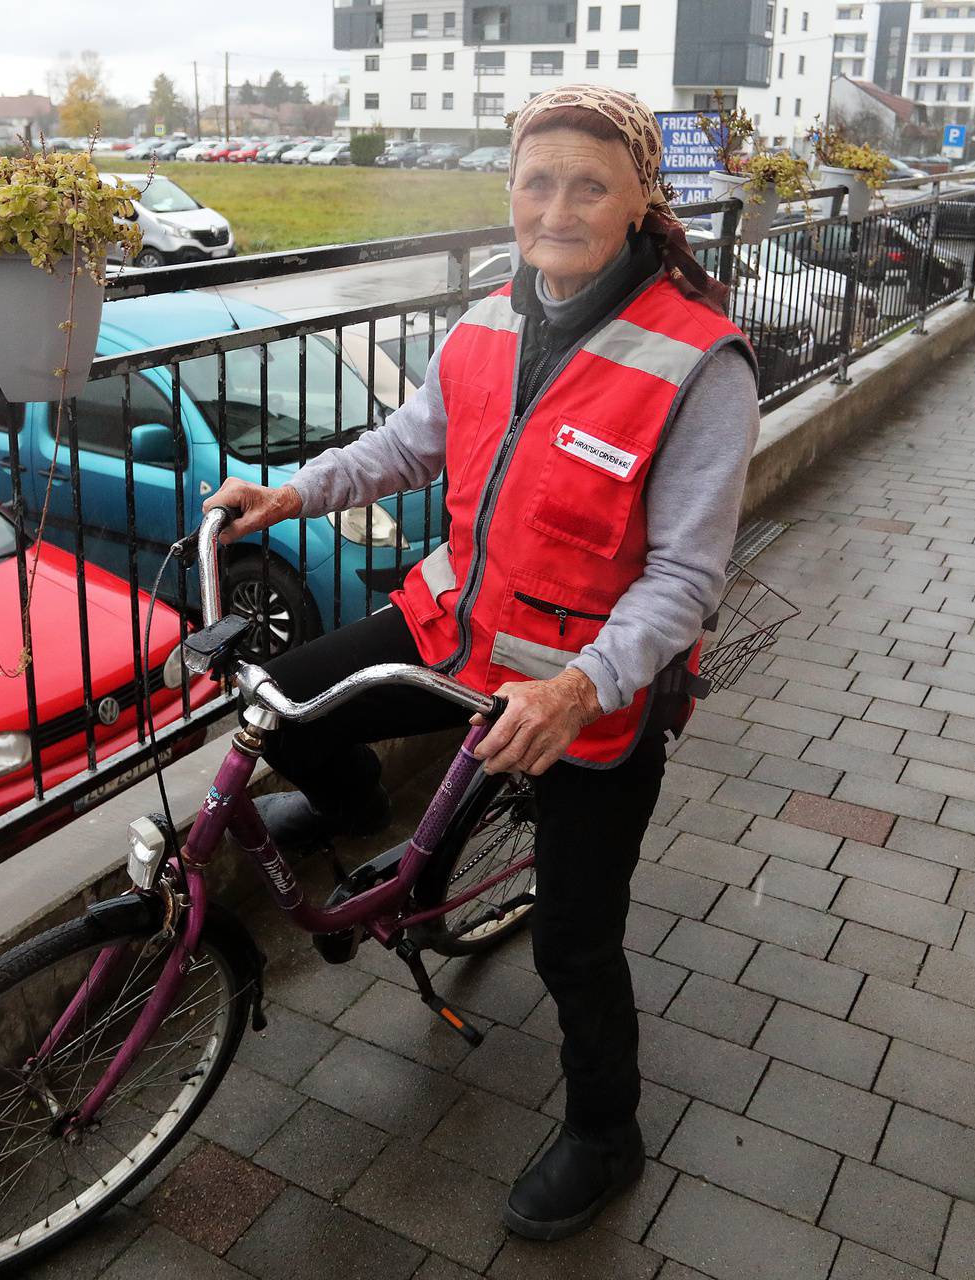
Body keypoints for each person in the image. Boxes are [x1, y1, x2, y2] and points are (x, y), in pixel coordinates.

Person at [203, 85, 761, 1242]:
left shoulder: (702, 363)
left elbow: (687, 580)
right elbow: (414, 442)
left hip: (584, 698)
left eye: (590, 184)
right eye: (536, 180)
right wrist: (293, 489)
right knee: (291, 702)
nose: (557, 206)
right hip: (456, 623)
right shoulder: (490, 315)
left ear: (640, 198)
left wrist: (577, 687)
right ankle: (358, 811)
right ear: (509, 191)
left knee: (573, 940)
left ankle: (608, 1132)